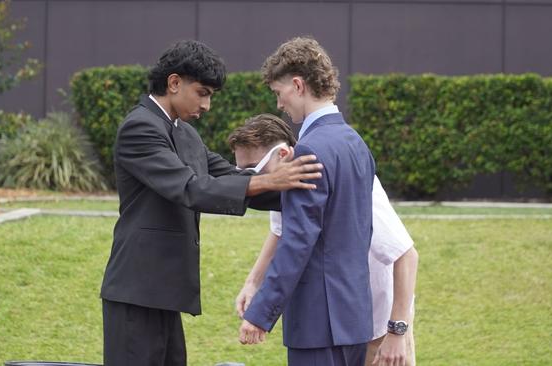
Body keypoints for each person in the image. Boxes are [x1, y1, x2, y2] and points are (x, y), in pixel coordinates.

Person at [99, 40, 323, 366]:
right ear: (174, 83)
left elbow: (228, 176)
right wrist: (267, 180)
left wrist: (307, 193)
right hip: (136, 292)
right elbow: (191, 188)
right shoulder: (139, 128)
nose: (207, 105)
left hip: (163, 292)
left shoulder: (186, 133)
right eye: (202, 92)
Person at [229, 114, 418, 366]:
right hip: (337, 319)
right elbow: (281, 232)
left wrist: (397, 331)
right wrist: (253, 283)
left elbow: (406, 255)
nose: (252, 181)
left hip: (380, 322)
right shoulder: (286, 183)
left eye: (253, 169)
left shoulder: (342, 178)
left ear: (283, 155)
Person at [236, 36, 375, 366]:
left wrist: (260, 314)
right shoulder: (356, 144)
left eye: (278, 93)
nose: (279, 104)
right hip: (354, 317)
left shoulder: (309, 150)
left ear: (297, 85)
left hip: (318, 322)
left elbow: (298, 240)